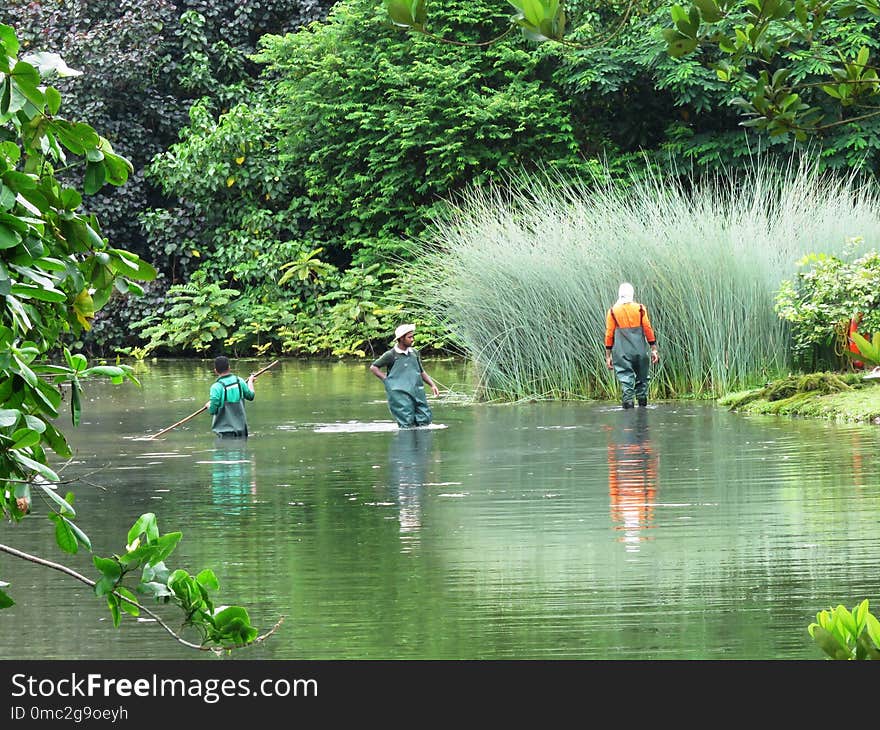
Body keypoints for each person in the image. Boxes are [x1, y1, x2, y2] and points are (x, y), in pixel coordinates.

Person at [370, 323, 440, 428]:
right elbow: (374, 367)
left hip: (417, 392)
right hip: (400, 394)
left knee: (425, 419)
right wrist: (387, 380)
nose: (412, 339)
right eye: (409, 337)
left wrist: (432, 385)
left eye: (412, 336)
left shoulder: (414, 353)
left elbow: (421, 371)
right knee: (406, 422)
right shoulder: (391, 355)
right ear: (401, 339)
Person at [604, 282, 659, 409]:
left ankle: (628, 418)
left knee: (626, 382)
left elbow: (609, 334)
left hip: (621, 353)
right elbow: (648, 329)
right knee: (643, 380)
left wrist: (608, 355)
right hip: (640, 351)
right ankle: (643, 415)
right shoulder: (640, 309)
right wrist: (654, 349)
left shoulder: (613, 311)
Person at [206, 355, 255, 438]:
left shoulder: (216, 387)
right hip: (242, 430)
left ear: (215, 371)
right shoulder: (239, 381)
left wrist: (208, 406)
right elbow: (251, 396)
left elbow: (212, 411)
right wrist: (250, 382)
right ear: (229, 368)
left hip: (225, 433)